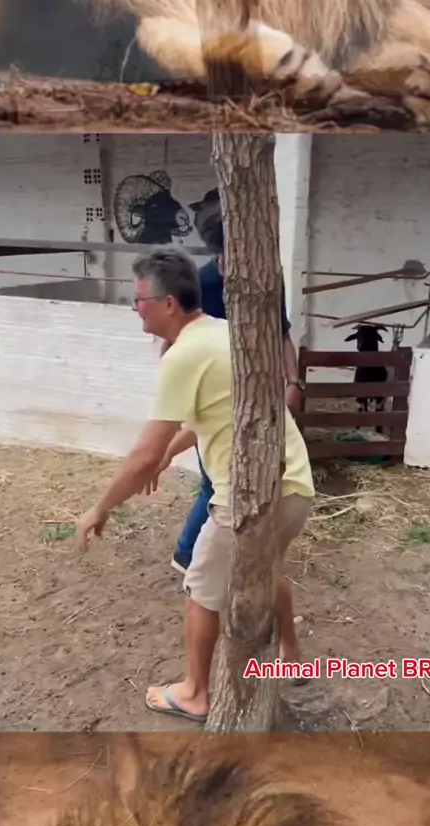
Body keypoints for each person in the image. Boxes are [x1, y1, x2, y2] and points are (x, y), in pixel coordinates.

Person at [76, 246, 315, 724]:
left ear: (168, 303)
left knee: (201, 588)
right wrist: (170, 452)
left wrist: (99, 508)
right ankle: (292, 657)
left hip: (247, 499)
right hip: (293, 487)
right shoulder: (222, 333)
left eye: (139, 300)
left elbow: (142, 457)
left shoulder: (183, 355)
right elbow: (211, 413)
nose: (136, 309)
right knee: (265, 569)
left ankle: (195, 693)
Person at [166, 214, 305, 575]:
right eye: (227, 252)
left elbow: (281, 332)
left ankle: (231, 549)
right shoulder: (201, 284)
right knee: (216, 480)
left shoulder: (267, 279)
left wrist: (293, 382)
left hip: (259, 395)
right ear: (218, 250)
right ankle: (187, 554)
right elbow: (174, 342)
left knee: (249, 474)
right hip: (215, 397)